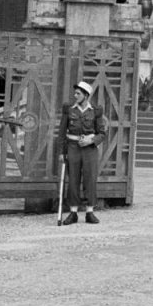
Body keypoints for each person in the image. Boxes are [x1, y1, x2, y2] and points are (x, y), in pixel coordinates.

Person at [57, 81, 107, 224]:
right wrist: (61, 152)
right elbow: (61, 133)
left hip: (90, 150)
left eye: (78, 93)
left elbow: (102, 134)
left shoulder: (96, 111)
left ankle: (89, 212)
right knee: (73, 179)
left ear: (86, 95)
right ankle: (73, 213)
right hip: (73, 148)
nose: (75, 95)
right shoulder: (69, 109)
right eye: (75, 93)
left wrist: (91, 141)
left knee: (90, 179)